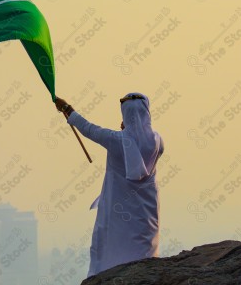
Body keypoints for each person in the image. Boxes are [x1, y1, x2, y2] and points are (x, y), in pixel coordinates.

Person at [54, 93, 164, 278]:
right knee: (143, 248)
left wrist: (66, 109)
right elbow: (136, 144)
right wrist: (130, 131)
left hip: (117, 208)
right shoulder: (157, 141)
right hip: (147, 210)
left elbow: (88, 129)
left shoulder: (116, 140)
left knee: (109, 246)